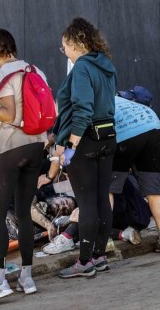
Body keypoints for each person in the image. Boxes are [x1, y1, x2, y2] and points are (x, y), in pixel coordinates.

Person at [52, 17, 117, 278]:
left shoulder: (81, 68)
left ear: (77, 42)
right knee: (102, 199)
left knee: (87, 202)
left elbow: (82, 109)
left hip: (85, 140)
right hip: (108, 136)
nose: (65, 51)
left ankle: (84, 262)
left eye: (65, 46)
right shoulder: (106, 66)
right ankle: (100, 256)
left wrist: (70, 146)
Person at [0, 29, 49, 298]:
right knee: (24, 212)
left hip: (9, 147)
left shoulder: (1, 74)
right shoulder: (36, 70)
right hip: (36, 144)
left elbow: (8, 113)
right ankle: (27, 279)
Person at [110, 95, 160, 254]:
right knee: (154, 191)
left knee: (108, 188)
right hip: (153, 127)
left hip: (125, 132)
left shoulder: (86, 100)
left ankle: (104, 241)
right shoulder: (124, 101)